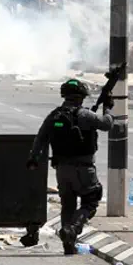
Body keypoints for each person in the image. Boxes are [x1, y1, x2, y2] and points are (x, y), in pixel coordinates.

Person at [26, 79, 114, 255]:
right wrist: (108, 107)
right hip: (84, 169)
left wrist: (33, 158)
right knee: (90, 201)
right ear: (81, 97)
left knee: (68, 204)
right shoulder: (85, 115)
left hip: (62, 170)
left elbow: (40, 139)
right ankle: (73, 228)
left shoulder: (54, 116)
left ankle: (68, 241)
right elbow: (107, 124)